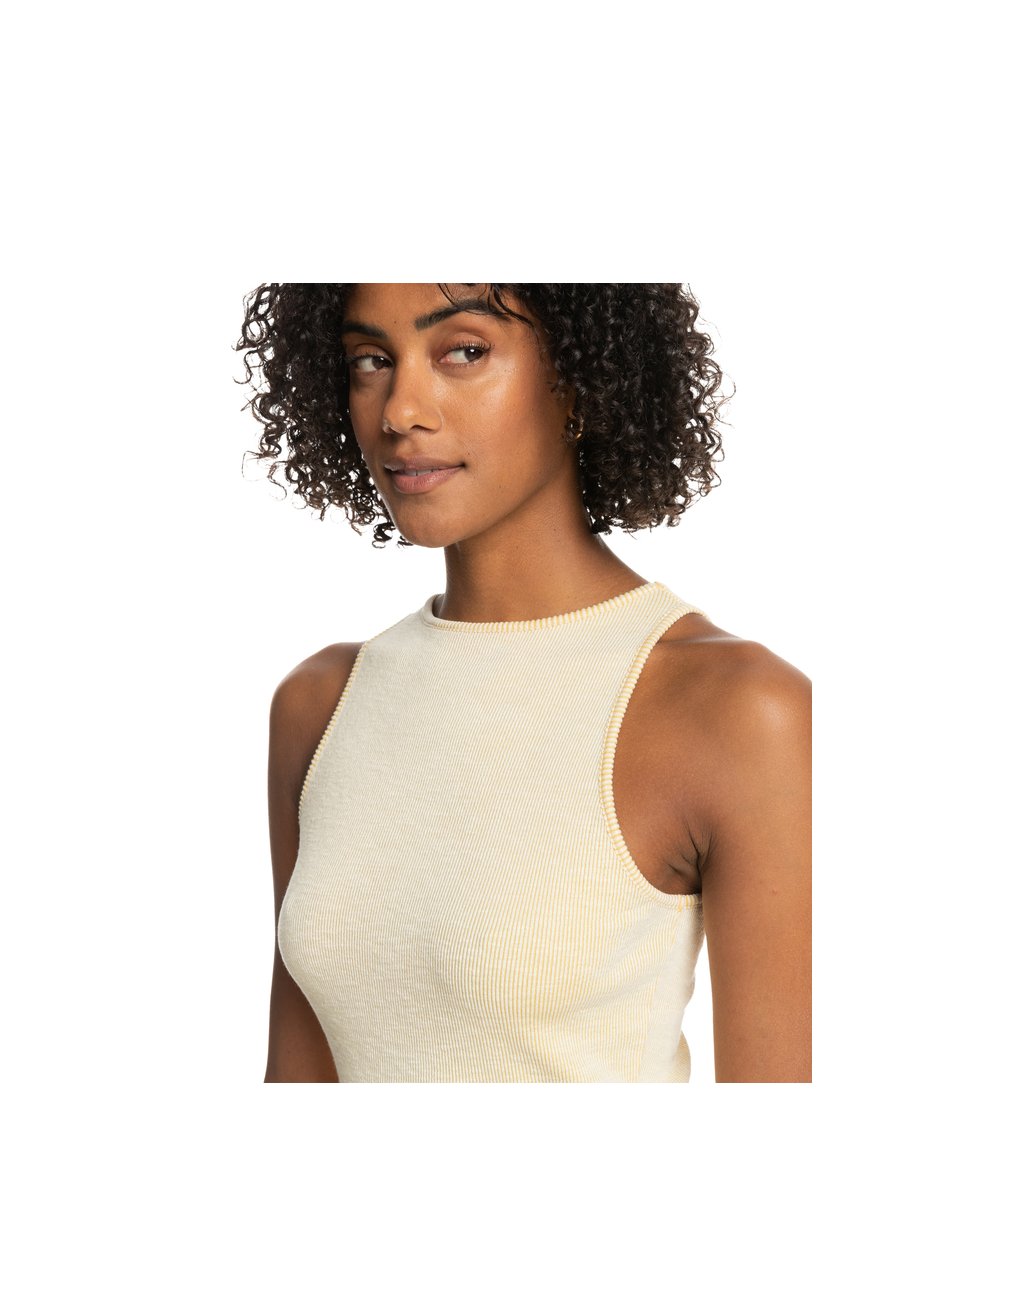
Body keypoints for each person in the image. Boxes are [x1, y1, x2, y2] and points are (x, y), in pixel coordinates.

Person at [235, 283, 811, 1083]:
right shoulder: (321, 705)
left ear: (579, 374)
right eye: (370, 360)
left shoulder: (737, 710)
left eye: (464, 351)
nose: (400, 409)